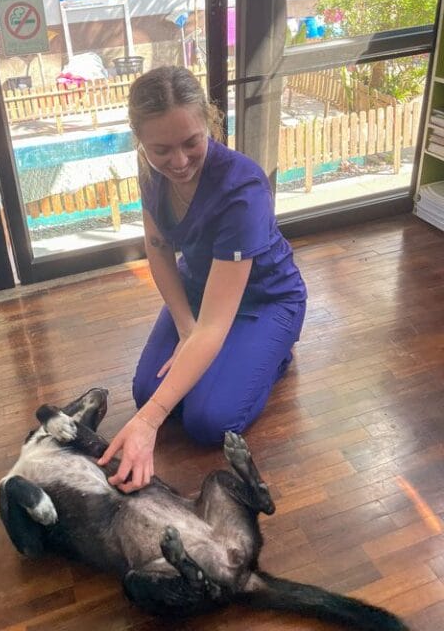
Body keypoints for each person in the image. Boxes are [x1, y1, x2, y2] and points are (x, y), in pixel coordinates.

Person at [98, 65, 307, 492]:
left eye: (191, 143)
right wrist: (185, 327)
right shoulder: (148, 170)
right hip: (200, 292)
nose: (178, 162)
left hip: (265, 301)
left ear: (209, 122)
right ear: (141, 142)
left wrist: (147, 423)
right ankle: (228, 359)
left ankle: (277, 353)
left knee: (207, 420)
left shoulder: (242, 188)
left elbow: (216, 323)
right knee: (146, 391)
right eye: (161, 149)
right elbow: (158, 251)